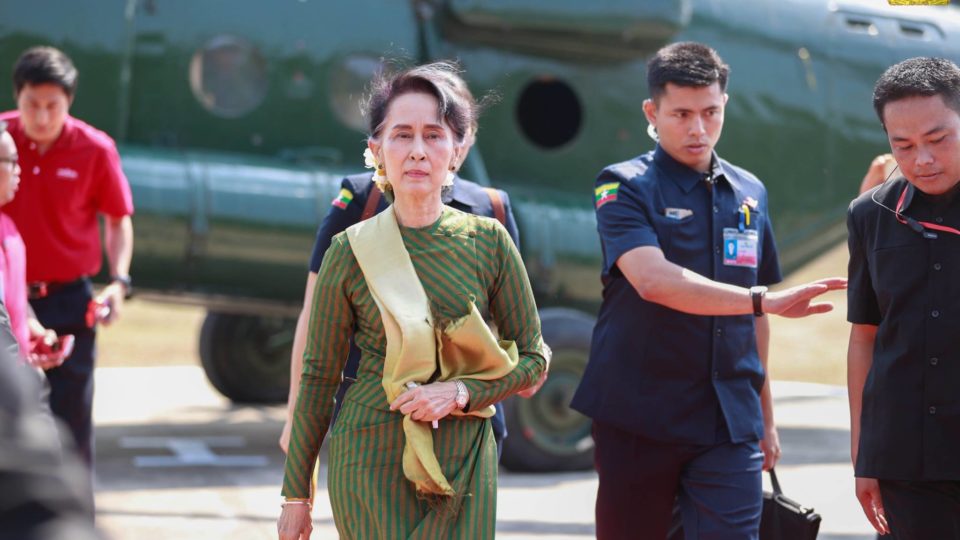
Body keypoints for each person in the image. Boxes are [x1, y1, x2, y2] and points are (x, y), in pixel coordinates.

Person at [569, 42, 846, 539]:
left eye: (710, 112)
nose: (698, 129)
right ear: (652, 111)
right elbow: (653, 281)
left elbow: (753, 321)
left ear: (725, 105)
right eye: (681, 114)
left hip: (728, 422)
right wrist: (761, 299)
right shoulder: (622, 186)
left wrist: (766, 419)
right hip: (639, 415)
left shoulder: (750, 192)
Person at [277, 62, 547, 539]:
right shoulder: (350, 249)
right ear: (376, 149)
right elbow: (319, 377)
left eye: (434, 135)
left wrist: (461, 393)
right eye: (401, 135)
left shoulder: (490, 240)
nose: (418, 151)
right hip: (368, 453)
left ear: (457, 149)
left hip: (464, 455)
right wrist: (296, 495)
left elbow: (533, 360)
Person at [0, 46, 135, 470]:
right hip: (6, 302)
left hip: (68, 303)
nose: (41, 117)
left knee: (71, 427)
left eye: (52, 106)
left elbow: (117, 219)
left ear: (69, 102)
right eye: (31, 105)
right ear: (16, 97)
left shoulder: (95, 149)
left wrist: (119, 281)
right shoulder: (1, 143)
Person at [847, 56, 960, 539]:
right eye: (904, 146)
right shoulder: (869, 215)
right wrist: (863, 455)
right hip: (906, 460)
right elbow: (864, 337)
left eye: (938, 139)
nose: (923, 159)